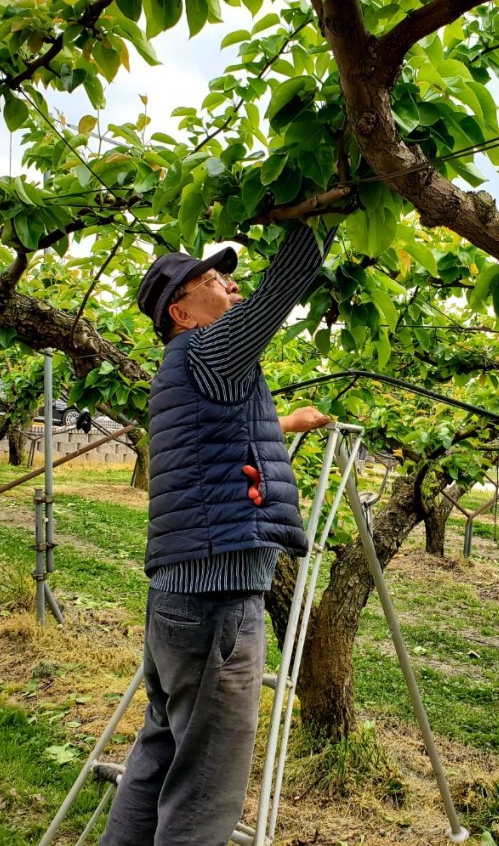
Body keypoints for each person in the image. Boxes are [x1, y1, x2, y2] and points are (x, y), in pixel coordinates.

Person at [100, 223, 336, 846]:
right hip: (217, 604)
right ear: (182, 310)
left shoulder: (187, 370)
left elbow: (219, 442)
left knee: (159, 754)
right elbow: (278, 294)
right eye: (212, 280)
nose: (229, 285)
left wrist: (286, 422)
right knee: (206, 786)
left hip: (179, 598)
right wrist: (330, 201)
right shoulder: (211, 351)